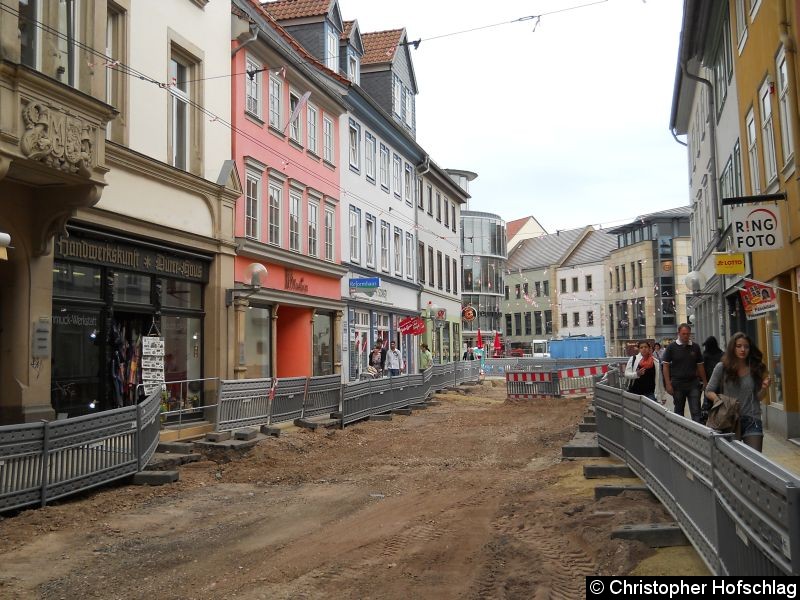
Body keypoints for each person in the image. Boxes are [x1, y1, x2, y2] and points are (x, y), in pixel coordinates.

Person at [705, 332, 770, 452]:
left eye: (746, 346)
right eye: (739, 346)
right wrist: (720, 401)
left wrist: (764, 388)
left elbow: (759, 397)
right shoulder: (722, 367)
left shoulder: (756, 368)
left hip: (752, 418)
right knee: (732, 461)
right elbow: (708, 391)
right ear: (732, 348)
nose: (743, 349)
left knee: (755, 461)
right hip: (729, 419)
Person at [662, 323, 708, 422]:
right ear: (679, 333)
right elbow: (665, 366)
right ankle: (680, 434)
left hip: (693, 383)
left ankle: (698, 433)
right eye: (683, 334)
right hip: (677, 383)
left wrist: (704, 381)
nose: (686, 336)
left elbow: (700, 365)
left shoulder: (695, 347)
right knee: (679, 411)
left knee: (696, 410)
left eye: (688, 334)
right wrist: (668, 384)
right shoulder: (671, 347)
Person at [699, 336, 724, 424]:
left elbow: (701, 370)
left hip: (709, 384)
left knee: (707, 405)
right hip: (721, 386)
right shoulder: (722, 355)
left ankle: (708, 423)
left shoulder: (705, 356)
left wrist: (703, 382)